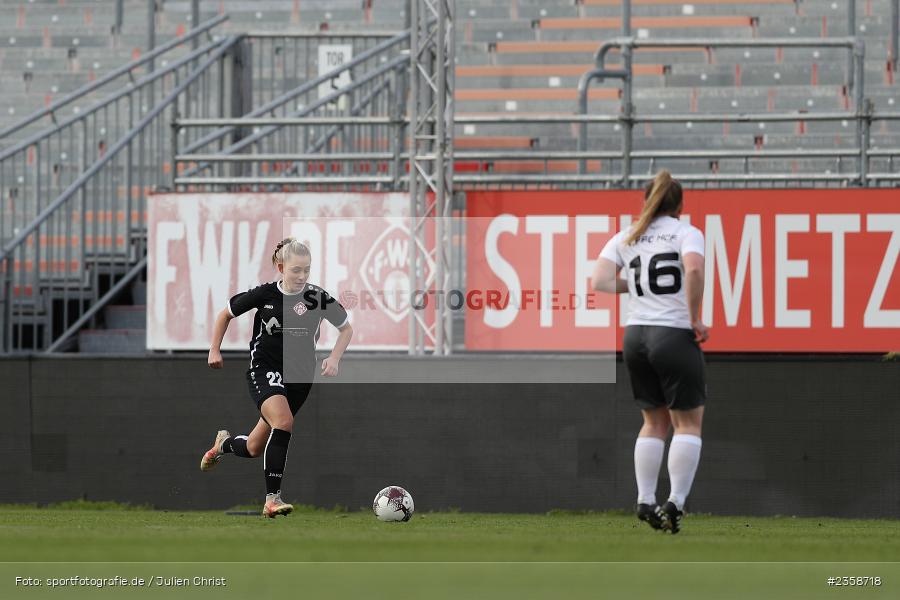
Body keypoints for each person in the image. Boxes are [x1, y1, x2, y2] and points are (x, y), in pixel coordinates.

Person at [200, 238, 353, 518]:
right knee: (284, 422)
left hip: (299, 378)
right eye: (296, 270)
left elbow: (346, 329)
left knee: (254, 446)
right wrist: (214, 349)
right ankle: (272, 499)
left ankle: (223, 444)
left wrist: (334, 358)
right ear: (281, 267)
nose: (302, 276)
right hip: (264, 369)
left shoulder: (317, 297)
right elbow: (225, 314)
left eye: (306, 270)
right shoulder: (265, 295)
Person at [592, 170, 708, 534]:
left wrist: (639, 286)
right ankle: (675, 502)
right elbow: (693, 271)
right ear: (680, 204)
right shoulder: (687, 233)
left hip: (635, 337)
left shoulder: (627, 235)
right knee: (687, 423)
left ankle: (645, 499)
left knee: (652, 422)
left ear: (647, 201)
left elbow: (600, 281)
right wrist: (696, 318)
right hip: (671, 333)